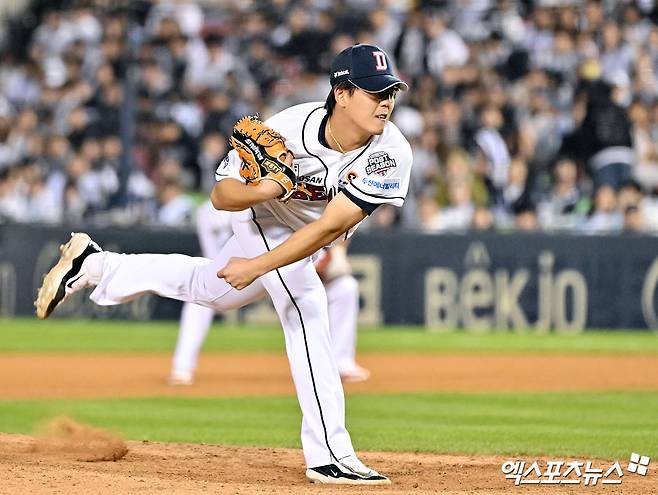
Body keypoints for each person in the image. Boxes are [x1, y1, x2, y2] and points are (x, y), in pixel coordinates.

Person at [35, 44, 412, 485]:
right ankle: (330, 453)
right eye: (373, 91)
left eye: (390, 91)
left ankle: (98, 266)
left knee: (211, 291)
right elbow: (222, 196)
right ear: (342, 94)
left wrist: (257, 266)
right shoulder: (287, 130)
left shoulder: (392, 152)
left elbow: (330, 228)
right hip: (260, 216)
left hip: (308, 235)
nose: (385, 100)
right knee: (306, 305)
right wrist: (266, 190)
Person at [170, 201, 370, 386]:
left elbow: (326, 230)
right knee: (200, 299)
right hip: (243, 272)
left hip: (288, 268)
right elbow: (212, 257)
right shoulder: (210, 211)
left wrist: (329, 258)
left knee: (345, 287)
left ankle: (342, 362)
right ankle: (183, 366)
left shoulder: (284, 196)